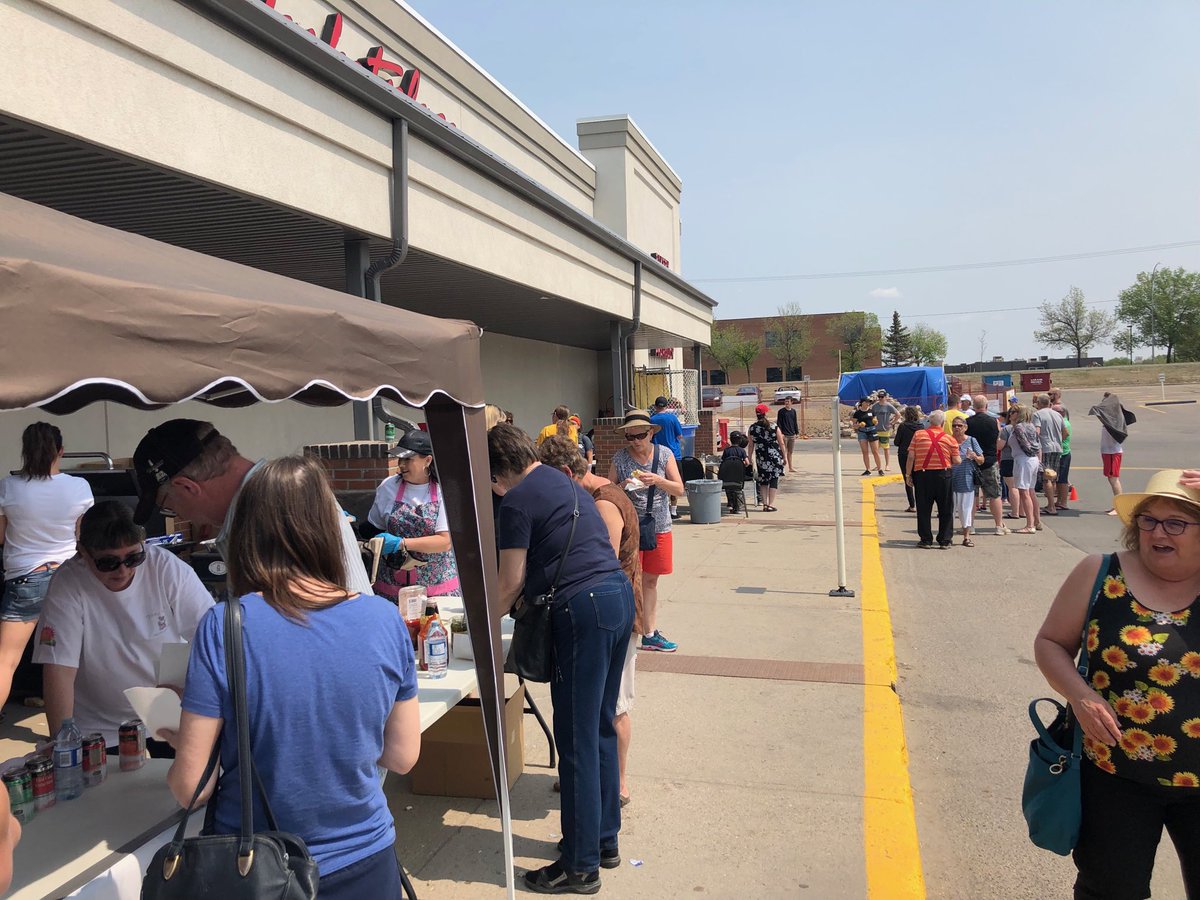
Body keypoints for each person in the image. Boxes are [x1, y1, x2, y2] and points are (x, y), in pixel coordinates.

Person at [164, 456, 420, 898]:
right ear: (327, 528)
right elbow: (401, 756)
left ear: (246, 532)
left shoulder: (225, 625)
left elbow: (191, 787)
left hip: (256, 867)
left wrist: (181, 739)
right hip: (367, 859)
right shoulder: (384, 618)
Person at [1033, 470, 1200, 899]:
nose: (1158, 532)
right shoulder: (1101, 573)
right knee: (1109, 890)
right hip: (1114, 774)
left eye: (1176, 522)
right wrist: (1081, 696)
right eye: (1149, 520)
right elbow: (1051, 643)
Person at [490, 425, 635, 894]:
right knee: (599, 728)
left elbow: (510, 581)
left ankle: (579, 864)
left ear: (497, 474)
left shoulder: (515, 500)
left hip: (582, 609)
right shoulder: (562, 481)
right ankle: (603, 841)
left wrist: (480, 618)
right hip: (616, 596)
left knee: (575, 738)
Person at [34, 501, 212, 753]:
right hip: (99, 725)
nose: (123, 571)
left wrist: (192, 690)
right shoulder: (68, 584)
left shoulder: (165, 567)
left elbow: (210, 636)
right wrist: (61, 743)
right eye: (108, 562)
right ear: (83, 553)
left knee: (183, 789)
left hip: (169, 710)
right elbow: (59, 669)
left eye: (133, 557)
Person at [132, 419, 372, 595]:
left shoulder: (273, 507)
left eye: (168, 506)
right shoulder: (281, 493)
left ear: (186, 487)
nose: (179, 515)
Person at [539, 436, 643, 809]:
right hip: (617, 612)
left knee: (613, 707)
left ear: (568, 473)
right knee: (606, 706)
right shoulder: (603, 492)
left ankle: (618, 784)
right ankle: (595, 777)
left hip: (612, 615)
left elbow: (603, 565)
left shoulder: (602, 504)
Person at [0, 423, 94, 713]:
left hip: (26, 577)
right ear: (61, 452)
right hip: (69, 576)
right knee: (72, 658)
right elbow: (83, 537)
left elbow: (0, 538)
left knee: (7, 659)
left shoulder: (7, 486)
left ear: (25, 452)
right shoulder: (80, 487)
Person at [608, 412, 684, 653]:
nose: (635, 441)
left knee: (650, 581)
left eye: (640, 435)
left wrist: (657, 480)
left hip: (658, 525)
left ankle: (649, 632)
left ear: (651, 433)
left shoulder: (664, 454)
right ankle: (626, 631)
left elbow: (679, 489)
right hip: (629, 527)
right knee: (629, 580)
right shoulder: (620, 458)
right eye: (630, 436)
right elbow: (608, 492)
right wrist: (624, 485)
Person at [365, 429, 459, 599]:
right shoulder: (388, 487)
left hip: (436, 593)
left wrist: (402, 543)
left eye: (408, 459)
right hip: (392, 590)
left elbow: (444, 541)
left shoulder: (444, 491)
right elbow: (373, 527)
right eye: (400, 459)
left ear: (427, 460)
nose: (401, 464)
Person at [903, 410, 958, 549]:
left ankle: (926, 539)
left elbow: (911, 457)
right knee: (946, 508)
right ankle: (945, 540)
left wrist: (908, 475)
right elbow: (957, 460)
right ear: (943, 423)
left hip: (922, 475)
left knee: (923, 508)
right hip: (943, 475)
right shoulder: (949, 438)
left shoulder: (918, 434)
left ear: (929, 421)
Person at [966, 395, 1006, 535]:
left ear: (973, 406)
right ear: (986, 406)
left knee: (972, 494)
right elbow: (998, 438)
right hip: (990, 460)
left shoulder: (967, 423)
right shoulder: (994, 421)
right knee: (995, 495)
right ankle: (998, 525)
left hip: (972, 461)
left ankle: (970, 526)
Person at [1090, 392, 1132, 516]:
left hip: (1113, 453)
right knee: (1111, 478)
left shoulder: (1114, 422)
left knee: (1114, 480)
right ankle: (1116, 505)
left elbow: (1100, 414)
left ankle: (1119, 507)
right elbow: (1099, 415)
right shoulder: (1109, 421)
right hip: (1108, 452)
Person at [1007, 404, 1042, 534]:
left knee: (1024, 492)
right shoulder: (1031, 426)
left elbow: (1026, 445)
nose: (1010, 414)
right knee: (1030, 491)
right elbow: (1037, 445)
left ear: (1019, 413)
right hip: (1032, 460)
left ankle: (1030, 525)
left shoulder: (1019, 427)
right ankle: (1036, 521)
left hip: (1024, 459)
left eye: (1013, 412)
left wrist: (1030, 452)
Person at [949, 418, 983, 547]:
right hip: (950, 480)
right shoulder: (948, 440)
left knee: (966, 510)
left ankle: (966, 537)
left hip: (966, 480)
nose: (957, 428)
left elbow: (982, 460)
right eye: (954, 425)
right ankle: (948, 536)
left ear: (965, 427)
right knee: (949, 510)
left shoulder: (971, 440)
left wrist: (974, 456)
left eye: (959, 425)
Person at [649, 397, 684, 520]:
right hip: (674, 454)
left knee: (659, 482)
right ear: (666, 406)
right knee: (674, 483)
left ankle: (661, 509)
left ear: (655, 406)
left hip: (656, 454)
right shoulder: (672, 418)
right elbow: (679, 435)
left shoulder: (651, 420)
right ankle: (673, 511)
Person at [747, 403, 786, 512]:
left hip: (761, 457)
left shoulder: (752, 428)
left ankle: (764, 504)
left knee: (763, 480)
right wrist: (785, 456)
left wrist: (750, 457)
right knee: (774, 479)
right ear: (765, 413)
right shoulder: (773, 426)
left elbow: (750, 445)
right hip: (774, 456)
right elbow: (781, 442)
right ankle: (770, 504)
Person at [1033, 393, 1065, 516]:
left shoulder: (1037, 415)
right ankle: (1052, 502)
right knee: (1053, 476)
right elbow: (1065, 431)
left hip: (1045, 447)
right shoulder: (1057, 414)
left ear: (1040, 403)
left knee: (1046, 477)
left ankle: (1051, 506)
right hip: (1057, 447)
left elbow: (1037, 431)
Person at [893, 407, 922, 513]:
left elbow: (896, 442)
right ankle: (920, 503)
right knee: (919, 480)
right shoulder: (921, 426)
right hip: (918, 454)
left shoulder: (903, 426)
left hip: (904, 455)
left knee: (907, 478)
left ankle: (912, 505)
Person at [998, 405, 1022, 522]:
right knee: (1021, 486)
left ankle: (1015, 511)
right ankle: (1022, 510)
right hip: (1021, 459)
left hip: (1008, 458)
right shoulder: (1027, 427)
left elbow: (1000, 446)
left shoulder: (1007, 429)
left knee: (1012, 487)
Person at [720, 432, 752, 514]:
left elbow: (723, 462)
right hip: (738, 477)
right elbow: (747, 463)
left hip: (727, 477)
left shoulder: (727, 451)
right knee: (737, 490)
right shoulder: (742, 451)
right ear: (740, 441)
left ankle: (730, 503)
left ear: (730, 440)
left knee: (728, 488)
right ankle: (737, 507)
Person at [870, 391, 902, 473]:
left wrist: (893, 422)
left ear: (885, 397)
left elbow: (898, 414)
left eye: (882, 397)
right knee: (875, 449)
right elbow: (871, 415)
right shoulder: (875, 406)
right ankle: (878, 465)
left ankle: (887, 465)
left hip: (885, 430)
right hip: (875, 429)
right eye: (879, 397)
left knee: (886, 448)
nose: (880, 398)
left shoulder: (888, 406)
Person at [852, 398, 884, 476]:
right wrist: (859, 425)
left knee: (875, 451)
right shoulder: (857, 413)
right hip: (862, 432)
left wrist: (875, 422)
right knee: (865, 452)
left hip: (872, 430)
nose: (868, 404)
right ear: (862, 403)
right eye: (866, 402)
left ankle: (880, 469)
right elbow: (854, 425)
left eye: (869, 402)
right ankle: (868, 469)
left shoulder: (871, 411)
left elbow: (875, 420)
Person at [777, 397, 800, 473]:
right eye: (785, 401)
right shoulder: (781, 411)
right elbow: (779, 423)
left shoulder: (793, 411)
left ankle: (790, 467)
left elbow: (795, 422)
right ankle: (781, 469)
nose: (786, 403)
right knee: (782, 452)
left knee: (790, 452)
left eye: (788, 401)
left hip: (792, 434)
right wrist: (781, 433)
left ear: (791, 402)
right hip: (784, 435)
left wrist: (796, 432)